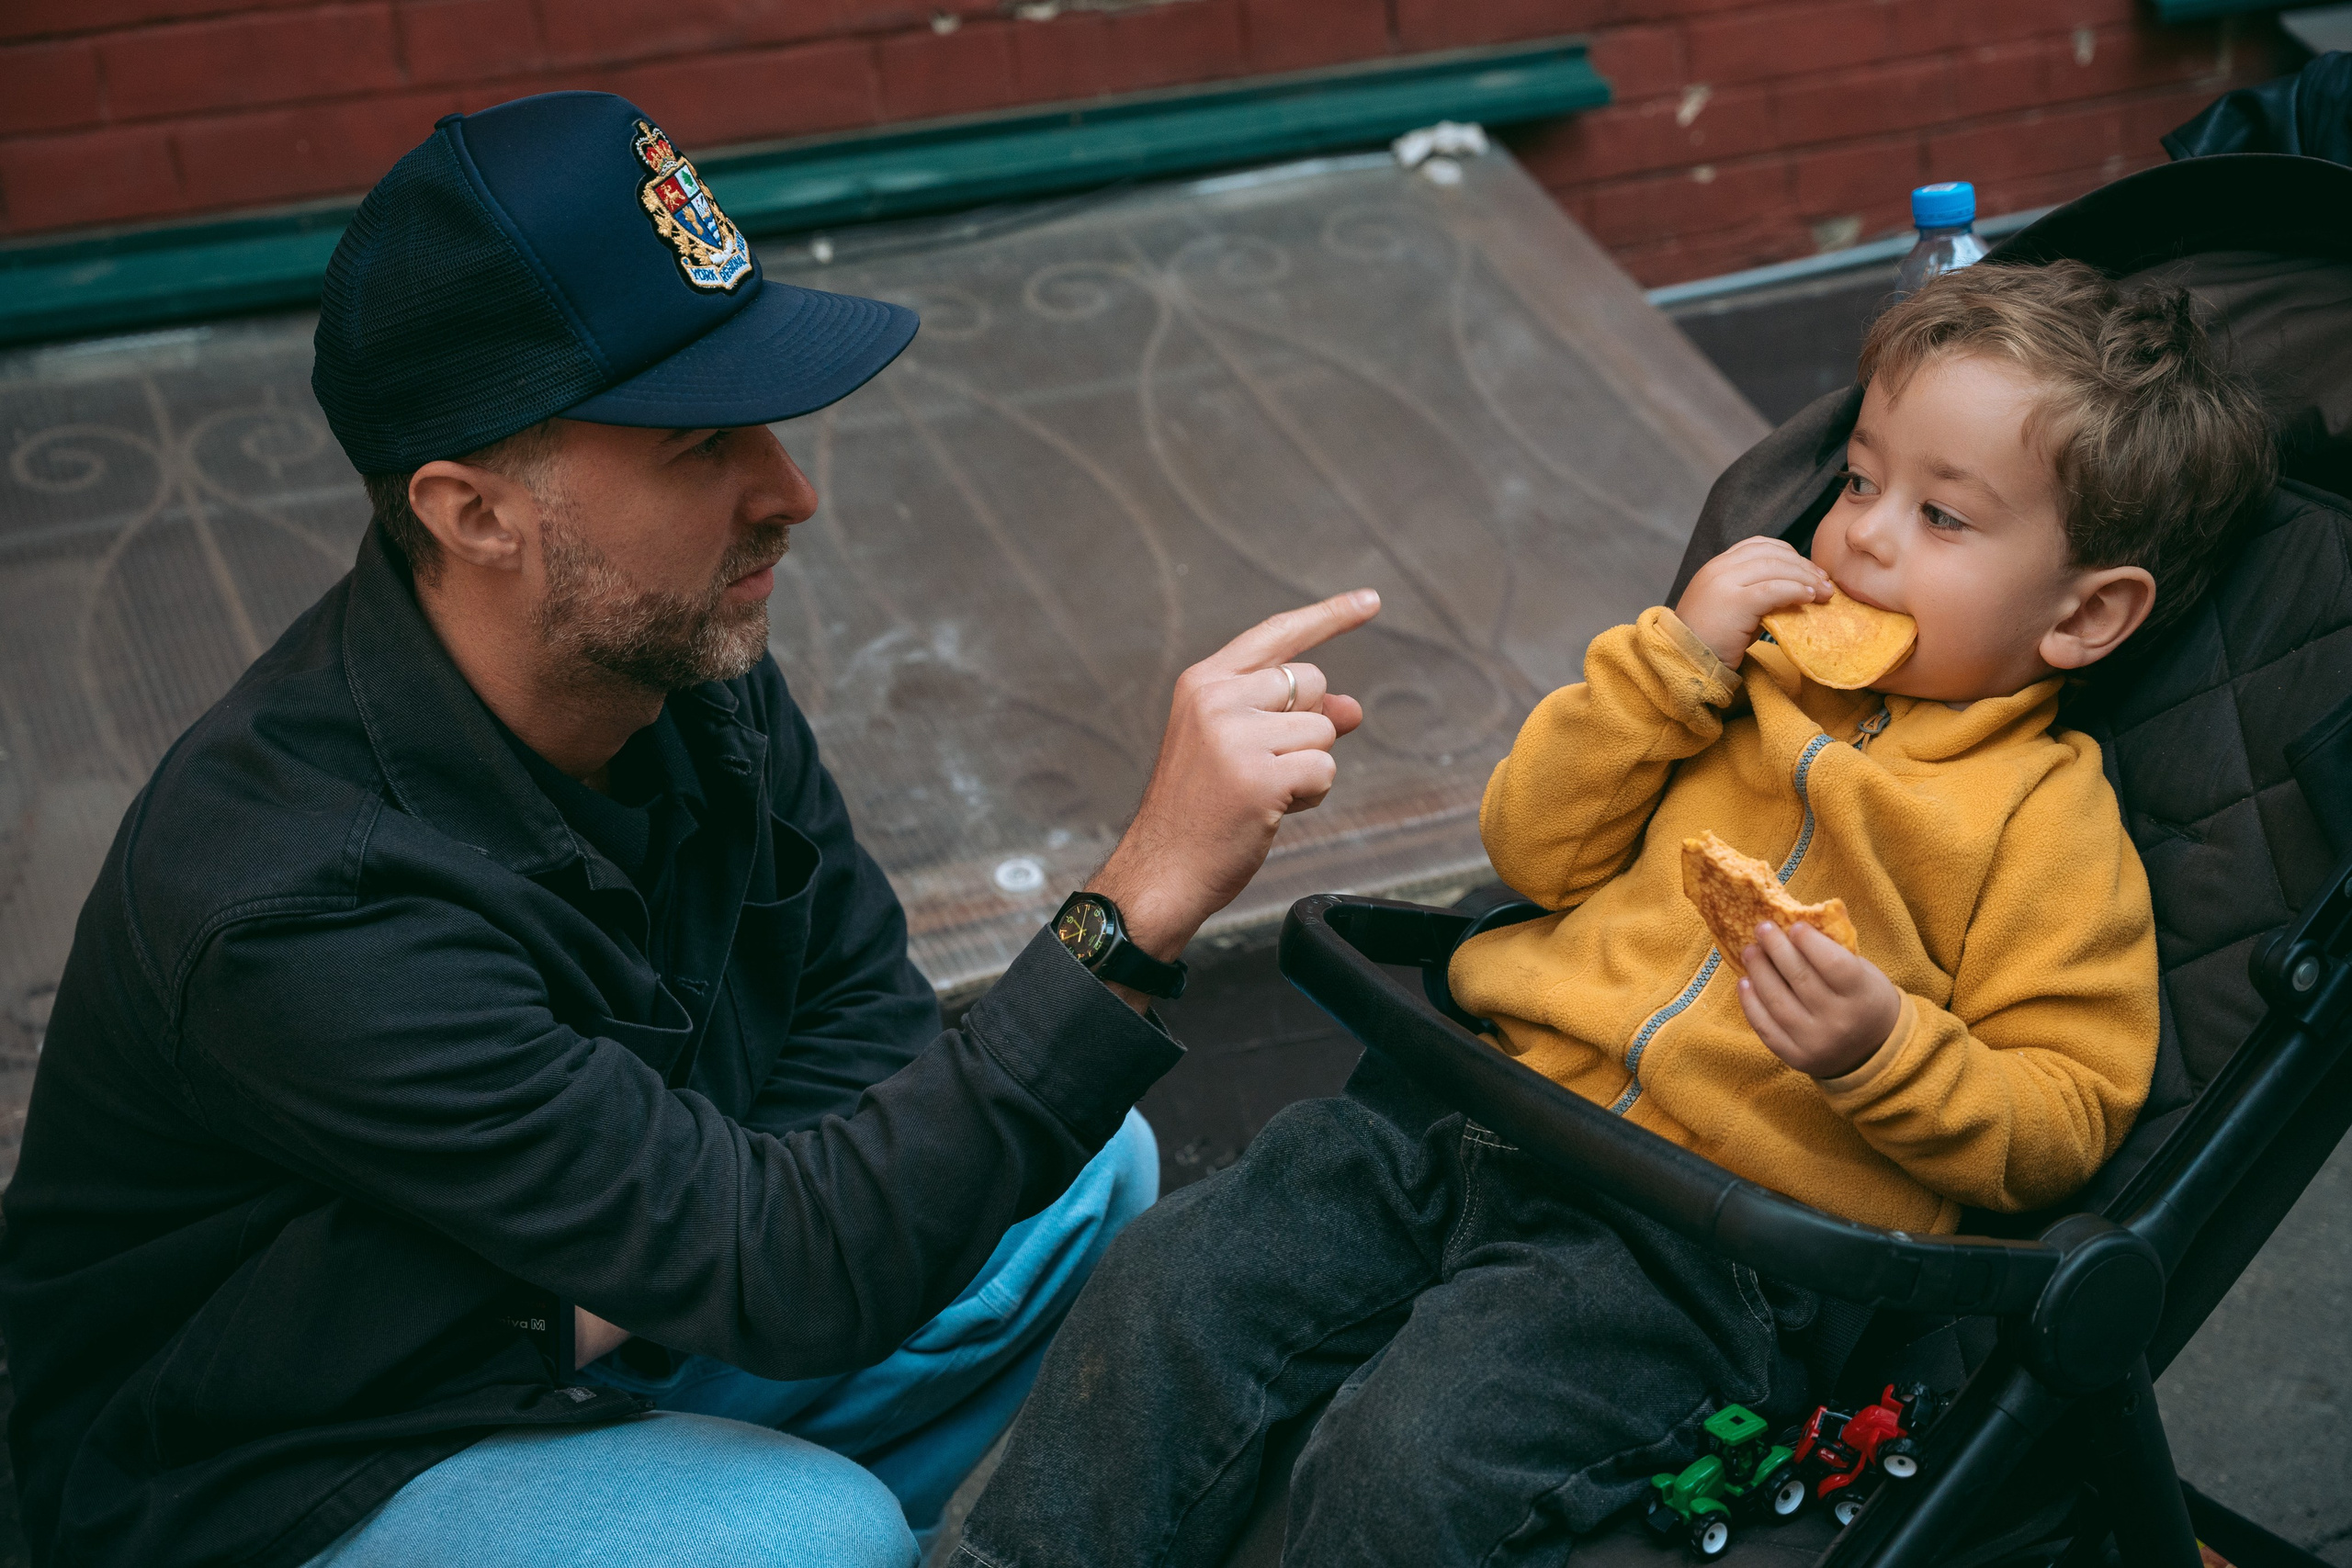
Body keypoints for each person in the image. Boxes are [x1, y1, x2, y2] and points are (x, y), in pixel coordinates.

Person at [0, 92, 1382, 1568]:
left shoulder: (672, 672)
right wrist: (1137, 898)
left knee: (1079, 1160)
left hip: (587, 1318)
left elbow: (866, 1030)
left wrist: (714, 1249)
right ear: (473, 514)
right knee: (807, 1534)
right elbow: (784, 1257)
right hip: (274, 1461)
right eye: (698, 440)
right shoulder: (301, 896)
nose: (789, 491)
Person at [952, 260, 2278, 1566]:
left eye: (1945, 517)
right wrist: (1671, 664)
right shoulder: (1726, 683)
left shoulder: (2048, 827)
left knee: (1415, 1449)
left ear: (2087, 614)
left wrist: (1888, 1053)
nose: (1863, 532)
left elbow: (2063, 1116)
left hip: (1693, 1252)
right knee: (1171, 1286)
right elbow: (1531, 845)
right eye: (1864, 479)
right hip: (1467, 1115)